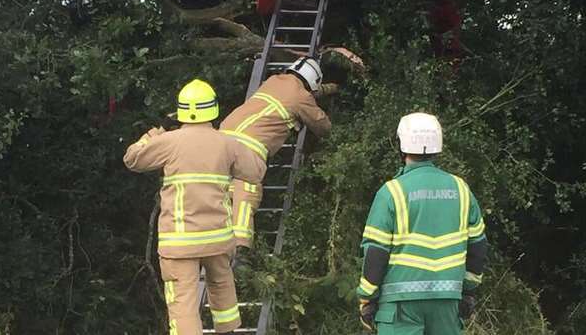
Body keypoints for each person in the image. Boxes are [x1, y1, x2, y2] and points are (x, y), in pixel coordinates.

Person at [124, 79, 266, 335]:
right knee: (223, 291)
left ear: (180, 111)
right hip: (218, 238)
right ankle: (228, 331)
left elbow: (132, 158)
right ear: (213, 109)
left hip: (180, 242)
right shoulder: (226, 143)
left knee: (184, 305)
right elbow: (256, 171)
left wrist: (158, 131)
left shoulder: (169, 141)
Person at [357, 112, 488, 334]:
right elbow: (478, 246)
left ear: (401, 145)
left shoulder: (392, 192)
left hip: (400, 305)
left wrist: (367, 297)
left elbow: (376, 252)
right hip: (448, 301)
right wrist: (468, 290)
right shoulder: (461, 189)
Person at [219, 57, 331, 248]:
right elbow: (323, 126)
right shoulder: (301, 97)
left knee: (221, 192)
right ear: (312, 82)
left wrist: (329, 89)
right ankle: (240, 251)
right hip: (250, 146)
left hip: (221, 139)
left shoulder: (273, 81)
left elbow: (299, 96)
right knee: (246, 194)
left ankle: (215, 243)